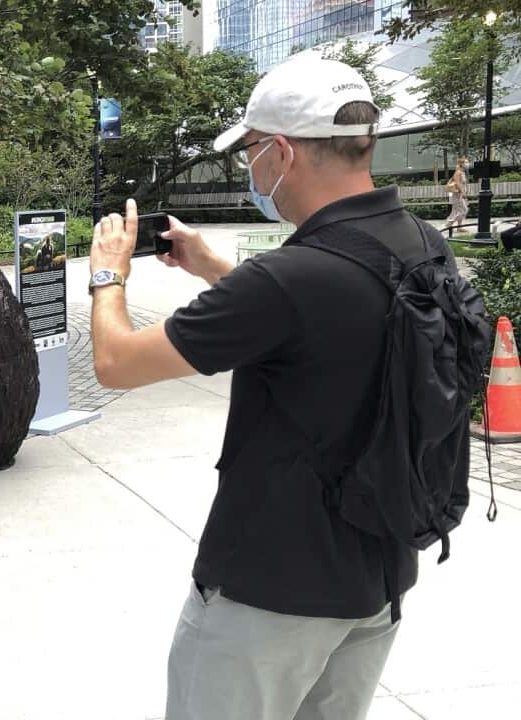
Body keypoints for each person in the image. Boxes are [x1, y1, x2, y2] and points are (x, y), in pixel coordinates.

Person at [85, 56, 468, 720]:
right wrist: (213, 266)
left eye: (252, 151)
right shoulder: (422, 244)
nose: (252, 168)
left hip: (269, 592)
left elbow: (116, 362)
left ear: (283, 152)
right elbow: (319, 320)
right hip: (378, 579)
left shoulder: (287, 280)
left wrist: (106, 275)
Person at [445, 157, 469, 235]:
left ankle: (459, 227)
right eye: (466, 162)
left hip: (461, 193)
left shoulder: (462, 172)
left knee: (457, 210)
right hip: (458, 194)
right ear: (461, 164)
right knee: (464, 210)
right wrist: (462, 192)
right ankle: (449, 223)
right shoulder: (458, 172)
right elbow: (457, 183)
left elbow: (463, 183)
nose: (467, 164)